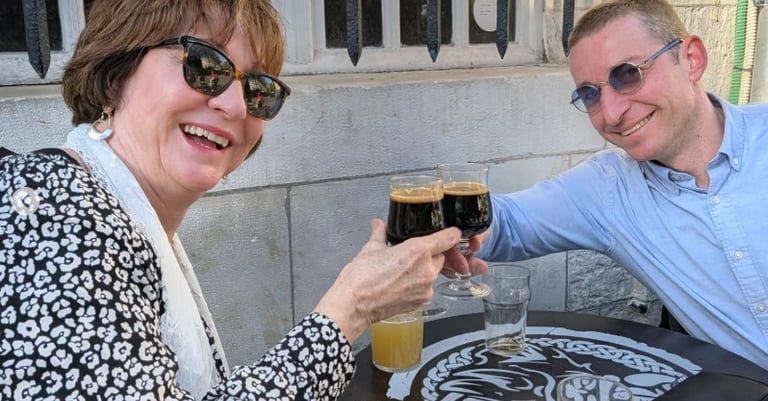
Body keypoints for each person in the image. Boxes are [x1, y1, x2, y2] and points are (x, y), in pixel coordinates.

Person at [0, 0, 485, 399]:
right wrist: (351, 308)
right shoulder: (52, 211)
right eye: (203, 66)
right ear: (113, 75)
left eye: (258, 89)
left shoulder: (113, 207)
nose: (234, 106)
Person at [476, 0, 768, 370]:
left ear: (691, 59)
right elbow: (508, 224)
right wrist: (431, 217)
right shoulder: (610, 190)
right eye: (590, 94)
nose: (611, 113)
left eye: (628, 75)